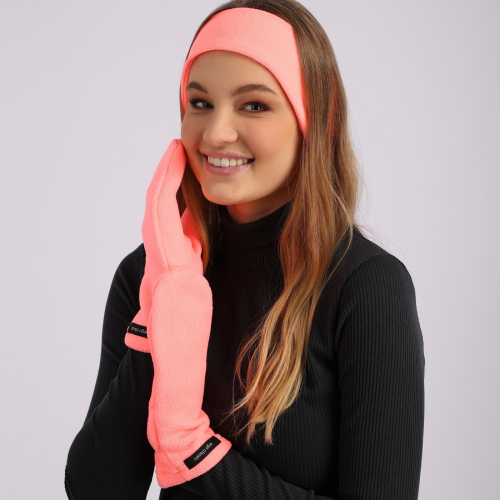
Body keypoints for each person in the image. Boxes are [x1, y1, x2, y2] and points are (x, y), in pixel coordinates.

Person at [64, 1, 425, 499]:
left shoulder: (366, 287)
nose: (215, 133)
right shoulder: (149, 275)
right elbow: (97, 490)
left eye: (254, 105)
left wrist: (194, 452)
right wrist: (165, 308)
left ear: (316, 120)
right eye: (200, 103)